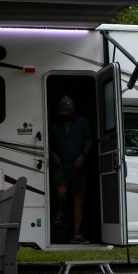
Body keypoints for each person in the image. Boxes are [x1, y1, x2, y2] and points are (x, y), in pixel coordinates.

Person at [49, 95, 94, 244]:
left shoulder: (82, 122)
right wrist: (52, 154)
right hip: (61, 166)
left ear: (72, 110)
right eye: (61, 110)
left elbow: (89, 141)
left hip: (78, 167)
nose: (64, 113)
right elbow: (46, 143)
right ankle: (61, 209)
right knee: (61, 192)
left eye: (67, 110)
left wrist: (83, 155)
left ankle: (76, 234)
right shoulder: (54, 126)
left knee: (79, 199)